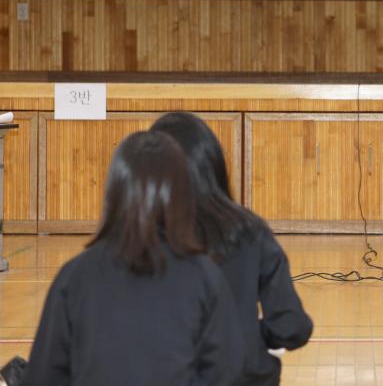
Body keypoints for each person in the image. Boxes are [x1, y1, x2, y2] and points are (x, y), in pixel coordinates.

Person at [22, 131, 244, 386]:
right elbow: (229, 373)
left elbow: (43, 376)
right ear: (183, 195)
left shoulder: (74, 277)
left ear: (114, 192)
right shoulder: (205, 277)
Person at [150, 112, 313, 386]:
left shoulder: (136, 237)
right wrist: (245, 337)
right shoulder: (250, 230)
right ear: (213, 163)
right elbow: (291, 326)